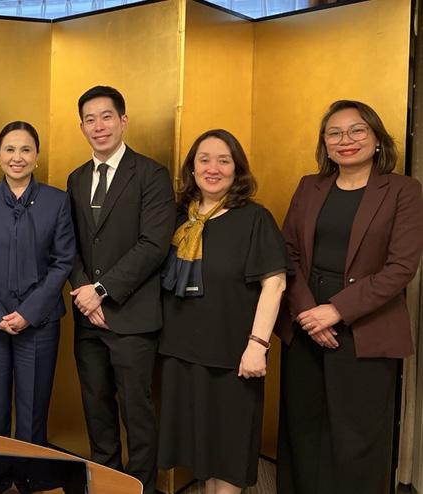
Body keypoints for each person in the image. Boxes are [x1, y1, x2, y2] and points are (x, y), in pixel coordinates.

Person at [276, 100, 423, 494]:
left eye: (357, 130)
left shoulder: (403, 190)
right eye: (335, 133)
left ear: (377, 139)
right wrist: (309, 312)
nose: (346, 140)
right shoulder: (309, 185)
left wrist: (337, 310)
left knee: (357, 435)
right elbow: (287, 252)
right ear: (325, 144)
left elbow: (401, 268)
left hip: (366, 324)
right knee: (303, 427)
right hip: (305, 318)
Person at [157, 129, 288, 493]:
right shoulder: (178, 217)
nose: (212, 168)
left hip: (233, 354)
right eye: (204, 160)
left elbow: (275, 284)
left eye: (223, 160)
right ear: (192, 168)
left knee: (229, 449)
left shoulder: (254, 219)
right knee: (202, 450)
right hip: (181, 351)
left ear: (237, 169)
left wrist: (257, 344)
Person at [66, 85, 175, 492]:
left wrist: (102, 290)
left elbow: (153, 245)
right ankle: (106, 482)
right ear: (82, 127)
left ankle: (141, 487)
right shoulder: (76, 178)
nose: (99, 126)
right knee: (96, 409)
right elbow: (70, 244)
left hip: (132, 316)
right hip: (87, 317)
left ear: (124, 121)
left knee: (137, 413)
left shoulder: (151, 175)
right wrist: (84, 291)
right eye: (90, 119)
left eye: (106, 116)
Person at [0, 121, 75, 445]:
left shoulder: (57, 201)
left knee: (33, 412)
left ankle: (30, 469)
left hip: (39, 322)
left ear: (36, 157)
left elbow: (63, 260)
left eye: (26, 149)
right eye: (10, 149)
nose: (17, 157)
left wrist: (29, 312)